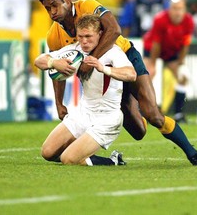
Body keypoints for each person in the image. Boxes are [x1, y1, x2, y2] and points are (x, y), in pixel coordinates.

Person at [38, 0, 197, 166]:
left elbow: (114, 29)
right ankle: (102, 154)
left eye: (54, 5)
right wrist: (59, 103)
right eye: (47, 9)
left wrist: (92, 61)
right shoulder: (53, 36)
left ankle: (192, 152)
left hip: (124, 57)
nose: (52, 12)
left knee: (153, 115)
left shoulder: (87, 6)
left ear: (67, 0)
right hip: (101, 81)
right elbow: (57, 71)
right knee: (138, 132)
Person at [35, 14, 135, 165]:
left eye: (88, 36)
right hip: (84, 113)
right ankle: (80, 153)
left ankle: (113, 160)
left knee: (68, 159)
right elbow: (38, 61)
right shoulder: (75, 50)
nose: (84, 41)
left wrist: (104, 69)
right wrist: (53, 63)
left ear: (100, 34)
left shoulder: (113, 52)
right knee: (47, 152)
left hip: (107, 118)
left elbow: (131, 74)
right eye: (80, 36)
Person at [143, 0, 193, 123]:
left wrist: (181, 62)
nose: (177, 12)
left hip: (171, 52)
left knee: (183, 76)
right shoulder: (160, 19)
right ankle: (143, 113)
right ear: (169, 9)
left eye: (180, 9)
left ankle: (178, 114)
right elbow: (156, 44)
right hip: (153, 50)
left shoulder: (189, 21)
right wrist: (153, 64)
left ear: (184, 9)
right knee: (147, 76)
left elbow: (186, 44)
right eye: (175, 9)